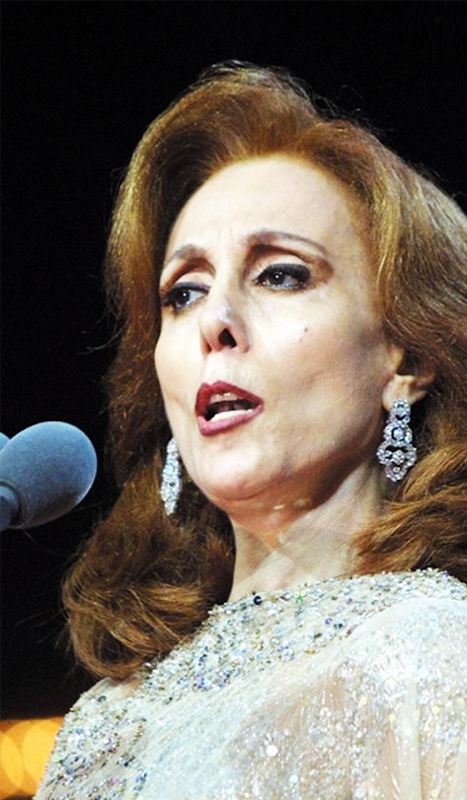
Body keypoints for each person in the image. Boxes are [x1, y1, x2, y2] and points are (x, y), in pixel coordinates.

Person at [36, 63, 467, 799]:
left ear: (406, 357)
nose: (216, 320)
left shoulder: (435, 655)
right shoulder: (102, 723)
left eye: (280, 275)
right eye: (184, 293)